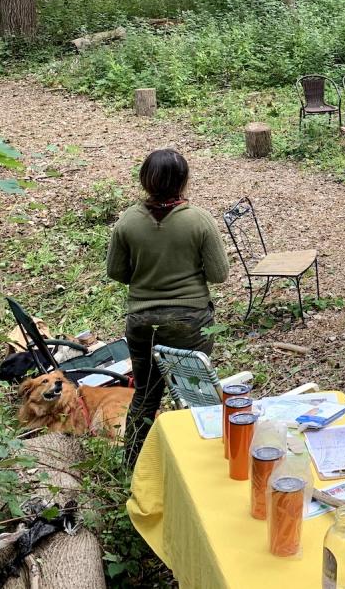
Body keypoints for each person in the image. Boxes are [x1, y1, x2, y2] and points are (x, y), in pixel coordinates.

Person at [106, 149, 229, 468]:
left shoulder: (128, 221)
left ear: (144, 180)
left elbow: (116, 272)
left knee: (145, 395)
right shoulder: (198, 219)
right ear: (184, 180)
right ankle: (199, 465)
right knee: (195, 396)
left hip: (142, 321)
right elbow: (219, 274)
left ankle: (132, 467)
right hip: (190, 322)